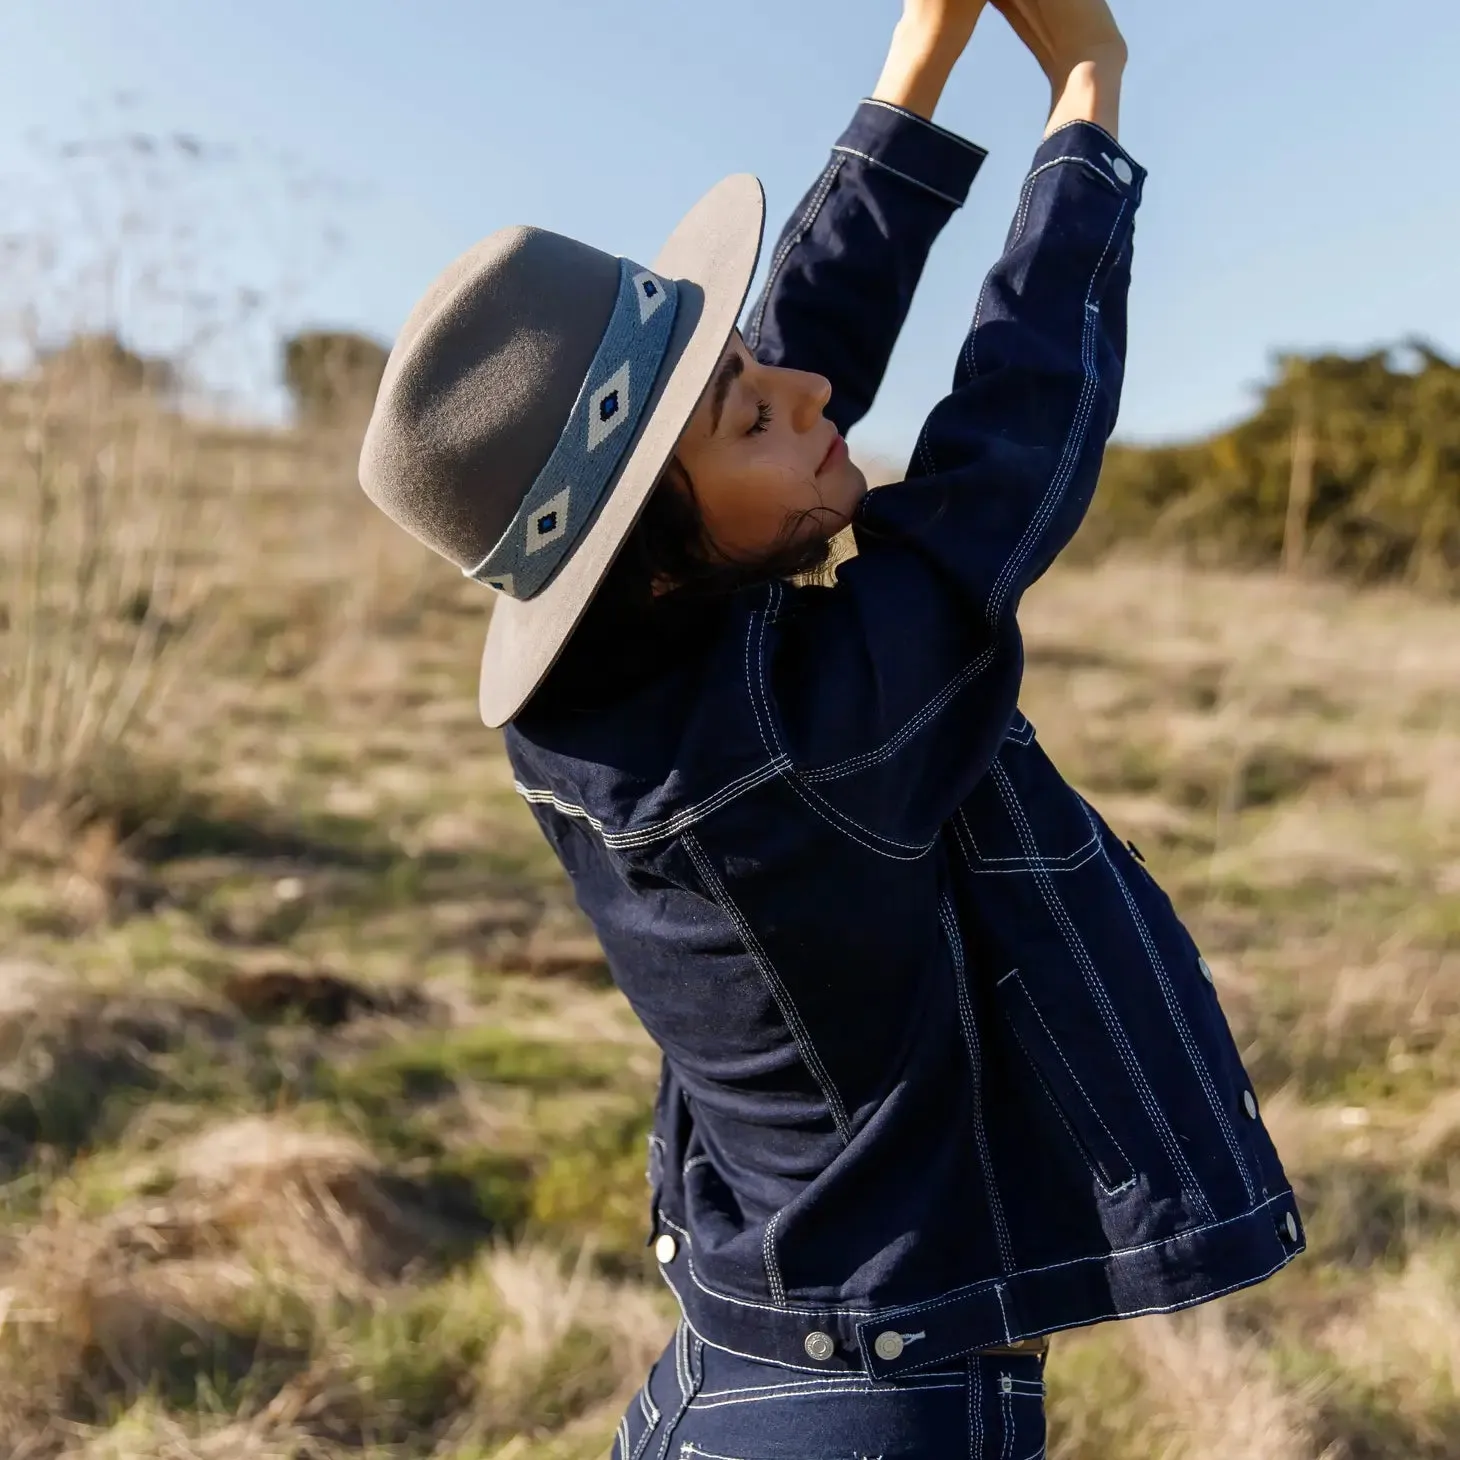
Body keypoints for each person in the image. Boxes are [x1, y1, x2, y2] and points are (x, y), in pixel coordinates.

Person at [358, 0, 1305, 1452]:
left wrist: (917, 68)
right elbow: (997, 468)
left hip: (733, 1365)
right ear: (652, 552)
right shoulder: (801, 745)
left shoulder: (607, 678)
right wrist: (1087, 101)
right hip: (870, 1405)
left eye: (746, 368)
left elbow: (775, 375)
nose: (810, 397)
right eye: (753, 418)